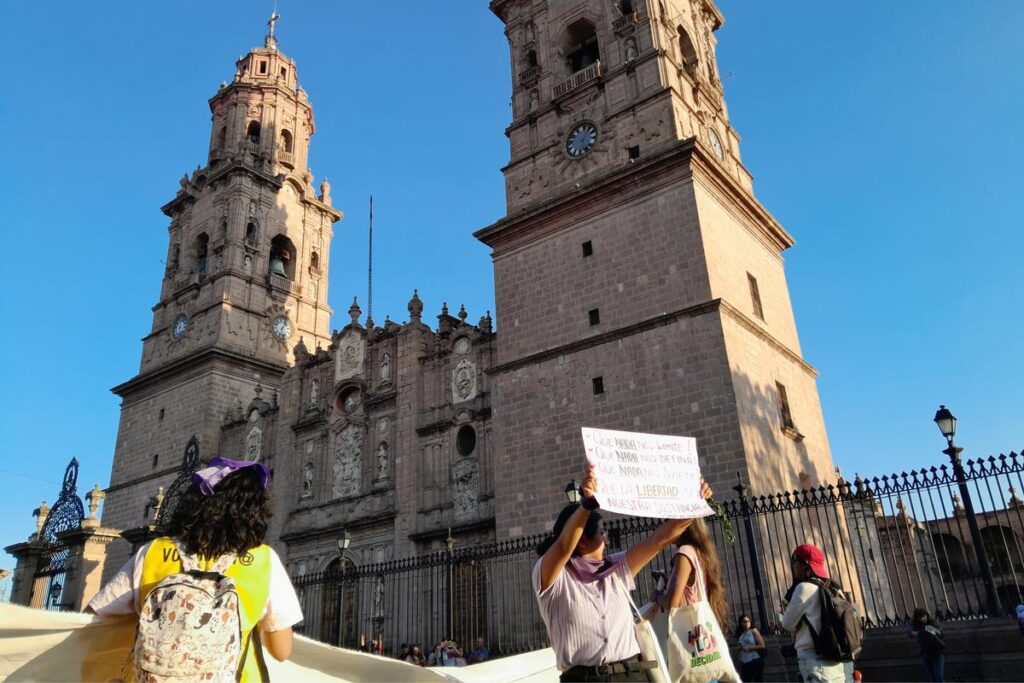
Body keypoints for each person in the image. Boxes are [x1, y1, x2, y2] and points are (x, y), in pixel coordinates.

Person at [88, 457, 302, 682]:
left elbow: (95, 619)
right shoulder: (262, 561)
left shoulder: (155, 552)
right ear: (253, 512)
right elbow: (281, 651)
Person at [533, 465, 712, 682]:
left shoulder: (614, 567)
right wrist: (586, 506)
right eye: (601, 533)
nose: (607, 539)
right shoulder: (552, 576)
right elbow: (563, 547)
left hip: (632, 674)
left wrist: (696, 504)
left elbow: (658, 540)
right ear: (581, 542)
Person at [651, 517, 738, 683]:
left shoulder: (684, 553)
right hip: (704, 643)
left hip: (690, 644)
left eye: (668, 521)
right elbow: (692, 590)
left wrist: (657, 596)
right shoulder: (700, 552)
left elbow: (672, 602)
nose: (665, 527)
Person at [780, 544, 846, 683]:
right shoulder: (834, 588)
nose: (793, 566)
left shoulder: (804, 588)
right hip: (836, 657)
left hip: (814, 658)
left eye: (795, 562)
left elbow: (787, 624)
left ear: (805, 565)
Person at [910, 608, 945, 682]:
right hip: (926, 653)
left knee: (938, 677)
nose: (923, 619)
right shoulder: (916, 624)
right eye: (920, 617)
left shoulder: (932, 622)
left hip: (937, 652)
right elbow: (910, 633)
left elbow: (940, 633)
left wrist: (928, 630)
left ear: (927, 615)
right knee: (932, 677)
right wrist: (920, 632)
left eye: (924, 616)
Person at [735, 615, 766, 681]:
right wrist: (740, 648)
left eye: (748, 621)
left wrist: (750, 648)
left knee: (758, 680)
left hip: (755, 660)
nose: (747, 623)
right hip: (745, 661)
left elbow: (762, 645)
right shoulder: (740, 635)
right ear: (741, 623)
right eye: (745, 621)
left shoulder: (754, 631)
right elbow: (739, 647)